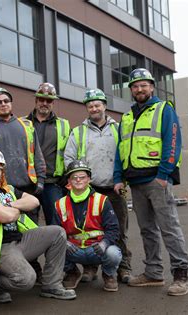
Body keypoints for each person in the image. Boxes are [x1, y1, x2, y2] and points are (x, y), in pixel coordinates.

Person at [114, 68, 188, 296]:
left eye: (144, 85)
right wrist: (119, 178)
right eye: (135, 86)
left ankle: (181, 275)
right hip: (135, 183)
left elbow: (173, 141)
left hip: (157, 180)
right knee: (147, 230)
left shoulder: (164, 109)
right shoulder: (127, 118)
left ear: (152, 87)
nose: (139, 89)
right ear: (131, 90)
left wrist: (164, 175)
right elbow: (121, 150)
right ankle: (154, 273)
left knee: (169, 228)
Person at [0, 148, 76, 303]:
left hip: (20, 240)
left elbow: (34, 201)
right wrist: (14, 208)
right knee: (26, 279)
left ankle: (52, 285)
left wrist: (9, 204)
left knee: (57, 233)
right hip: (1, 247)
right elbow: (7, 216)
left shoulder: (8, 190)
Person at [64, 88, 132, 284]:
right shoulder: (78, 132)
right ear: (86, 108)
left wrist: (124, 179)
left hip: (115, 188)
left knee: (119, 230)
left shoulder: (118, 129)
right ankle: (90, 267)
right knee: (88, 230)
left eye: (97, 104)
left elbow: (126, 154)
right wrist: (80, 182)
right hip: (89, 191)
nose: (94, 108)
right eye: (90, 105)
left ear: (104, 106)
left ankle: (123, 268)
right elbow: (69, 157)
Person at [0, 87, 46, 223]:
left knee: (30, 231)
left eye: (6, 101)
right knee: (7, 232)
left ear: (11, 103)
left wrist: (41, 180)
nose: (3, 104)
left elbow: (37, 154)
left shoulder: (27, 125)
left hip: (27, 188)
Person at [53, 160, 122, 292]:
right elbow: (53, 232)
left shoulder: (101, 200)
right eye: (74, 177)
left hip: (97, 249)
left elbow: (113, 229)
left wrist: (105, 243)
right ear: (69, 181)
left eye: (82, 177)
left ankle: (108, 275)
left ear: (89, 179)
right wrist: (65, 243)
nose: (78, 180)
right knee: (53, 248)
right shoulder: (59, 204)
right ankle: (72, 272)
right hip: (73, 249)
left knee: (113, 253)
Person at [24, 83, 70, 225]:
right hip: (28, 182)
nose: (45, 103)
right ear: (36, 100)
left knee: (56, 224)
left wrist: (65, 177)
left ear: (53, 103)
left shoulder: (63, 125)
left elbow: (70, 152)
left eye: (48, 100)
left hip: (53, 183)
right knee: (28, 225)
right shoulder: (23, 123)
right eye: (41, 99)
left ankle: (55, 248)